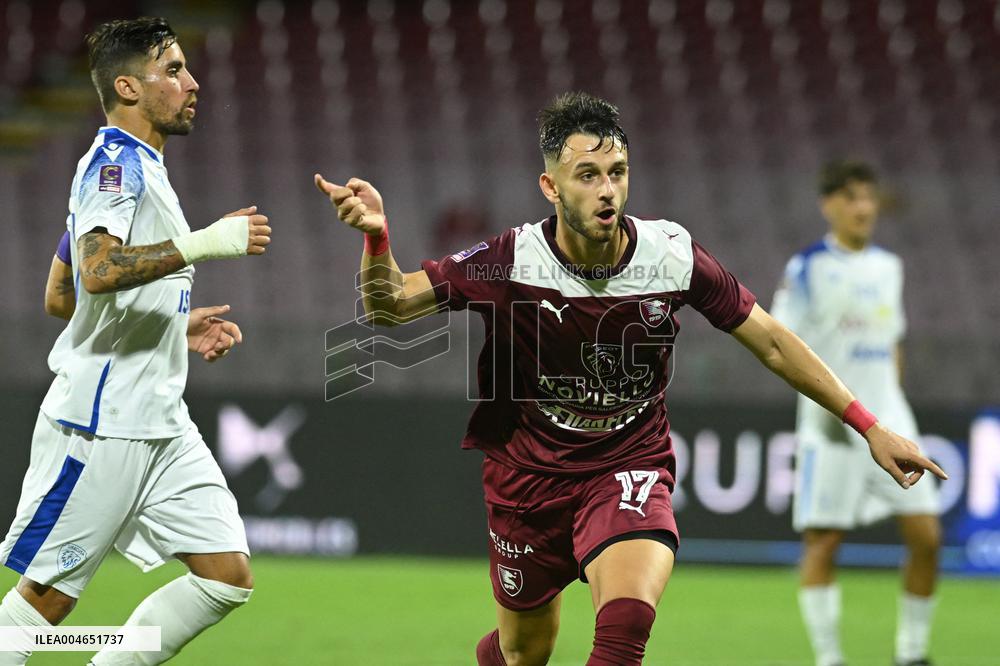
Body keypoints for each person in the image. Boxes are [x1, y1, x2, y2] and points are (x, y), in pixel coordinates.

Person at [315, 92, 945, 666]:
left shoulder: (669, 254)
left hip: (626, 465)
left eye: (616, 173)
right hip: (526, 480)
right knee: (523, 652)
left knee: (622, 635)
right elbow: (390, 304)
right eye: (587, 176)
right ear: (551, 187)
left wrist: (868, 425)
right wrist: (377, 241)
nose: (607, 190)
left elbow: (775, 343)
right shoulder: (511, 259)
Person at [0, 17, 272, 665]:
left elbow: (61, 295)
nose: (192, 82)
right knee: (46, 604)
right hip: (101, 425)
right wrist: (204, 242)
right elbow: (97, 271)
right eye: (173, 70)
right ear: (127, 86)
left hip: (160, 420)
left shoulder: (142, 169)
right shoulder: (114, 166)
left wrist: (175, 323)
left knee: (224, 576)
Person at [771, 161, 941, 666]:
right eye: (850, 197)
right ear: (829, 205)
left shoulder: (890, 267)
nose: (862, 207)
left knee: (927, 536)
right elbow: (781, 342)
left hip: (890, 418)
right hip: (831, 424)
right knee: (824, 542)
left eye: (868, 197)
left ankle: (912, 653)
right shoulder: (807, 269)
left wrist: (892, 399)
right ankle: (830, 659)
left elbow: (893, 343)